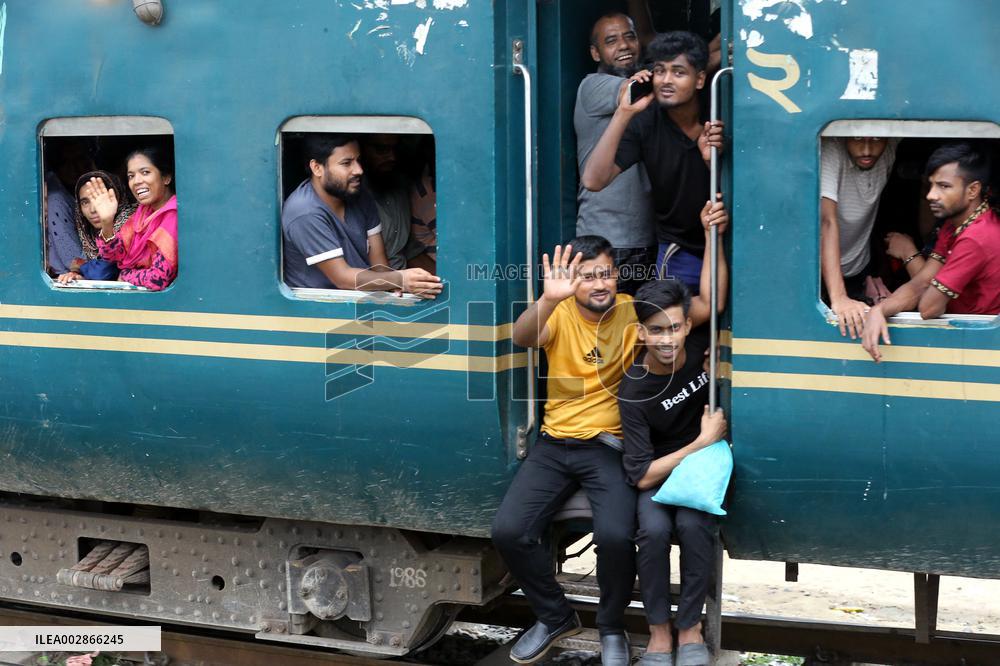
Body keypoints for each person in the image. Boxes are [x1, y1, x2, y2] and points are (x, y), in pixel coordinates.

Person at [491, 236, 638, 666]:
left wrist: (712, 236)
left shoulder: (632, 311)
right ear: (571, 282)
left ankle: (612, 627)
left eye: (605, 274)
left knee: (615, 537)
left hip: (607, 447)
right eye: (587, 276)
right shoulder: (558, 313)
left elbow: (698, 308)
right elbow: (522, 337)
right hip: (555, 445)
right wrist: (548, 298)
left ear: (616, 275)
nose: (599, 284)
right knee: (509, 531)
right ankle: (555, 617)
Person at [619, 197, 729, 666]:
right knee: (655, 531)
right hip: (663, 468)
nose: (668, 340)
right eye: (657, 331)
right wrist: (701, 441)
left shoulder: (701, 348)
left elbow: (714, 297)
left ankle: (691, 628)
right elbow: (642, 475)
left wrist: (709, 234)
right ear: (641, 334)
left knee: (696, 525)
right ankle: (659, 631)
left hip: (697, 470)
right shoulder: (634, 390)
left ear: (689, 326)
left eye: (676, 328)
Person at [581, 30, 724, 294]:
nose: (666, 81)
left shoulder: (720, 112)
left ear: (700, 79)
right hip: (680, 249)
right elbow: (593, 179)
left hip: (732, 242)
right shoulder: (645, 122)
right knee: (676, 325)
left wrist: (711, 161)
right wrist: (624, 113)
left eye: (678, 72)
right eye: (659, 71)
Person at [862, 142, 1000, 362]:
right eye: (931, 185)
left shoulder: (977, 238)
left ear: (973, 190)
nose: (931, 196)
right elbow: (921, 282)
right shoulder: (954, 224)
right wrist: (879, 310)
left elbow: (928, 307)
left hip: (978, 347)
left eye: (943, 186)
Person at [281, 134, 441, 299]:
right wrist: (399, 279)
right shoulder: (304, 212)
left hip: (360, 299)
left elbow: (380, 265)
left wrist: (392, 285)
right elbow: (342, 278)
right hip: (320, 310)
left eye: (358, 160)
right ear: (317, 168)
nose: (359, 170)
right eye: (346, 163)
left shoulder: (359, 195)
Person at [575, 10, 657, 295]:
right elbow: (637, 90)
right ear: (595, 53)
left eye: (629, 37)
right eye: (612, 41)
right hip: (606, 240)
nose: (623, 45)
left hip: (647, 238)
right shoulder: (592, 86)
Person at [820, 136, 899, 338]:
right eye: (857, 139)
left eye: (876, 140)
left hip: (858, 269)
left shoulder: (890, 146)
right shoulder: (833, 151)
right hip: (820, 276)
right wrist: (839, 297)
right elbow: (827, 221)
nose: (866, 150)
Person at [84, 146, 178, 291]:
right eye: (131, 176)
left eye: (145, 172)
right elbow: (114, 256)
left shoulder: (172, 217)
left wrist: (126, 275)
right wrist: (107, 223)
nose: (136, 181)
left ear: (166, 178)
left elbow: (158, 278)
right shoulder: (142, 213)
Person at [360, 134, 435, 273]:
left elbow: (409, 252)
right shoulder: (353, 199)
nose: (392, 157)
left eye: (395, 149)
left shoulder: (399, 188)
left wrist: (448, 283)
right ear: (361, 150)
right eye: (381, 150)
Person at [56, 170, 137, 284]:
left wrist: (81, 267)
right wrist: (77, 275)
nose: (93, 209)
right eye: (85, 202)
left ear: (117, 197)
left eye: (99, 199)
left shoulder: (132, 223)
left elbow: (102, 272)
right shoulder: (88, 233)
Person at [44, 140, 95, 276]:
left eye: (80, 159)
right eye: (66, 163)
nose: (75, 168)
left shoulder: (77, 193)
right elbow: (73, 260)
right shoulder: (58, 200)